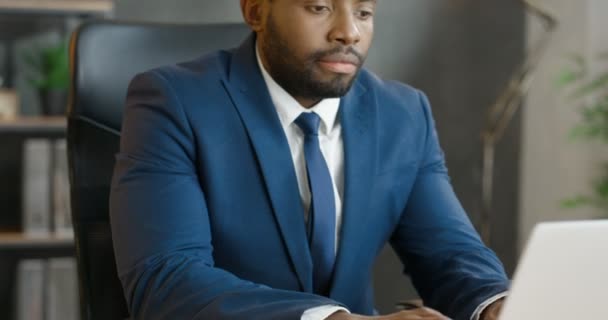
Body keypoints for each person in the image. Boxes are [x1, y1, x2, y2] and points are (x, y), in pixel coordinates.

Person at [109, 1, 510, 319]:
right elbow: (166, 280)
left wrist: (495, 305)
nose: (348, 32)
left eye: (364, 12)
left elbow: (449, 253)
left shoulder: (402, 113)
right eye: (319, 7)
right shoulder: (174, 102)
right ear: (255, 11)